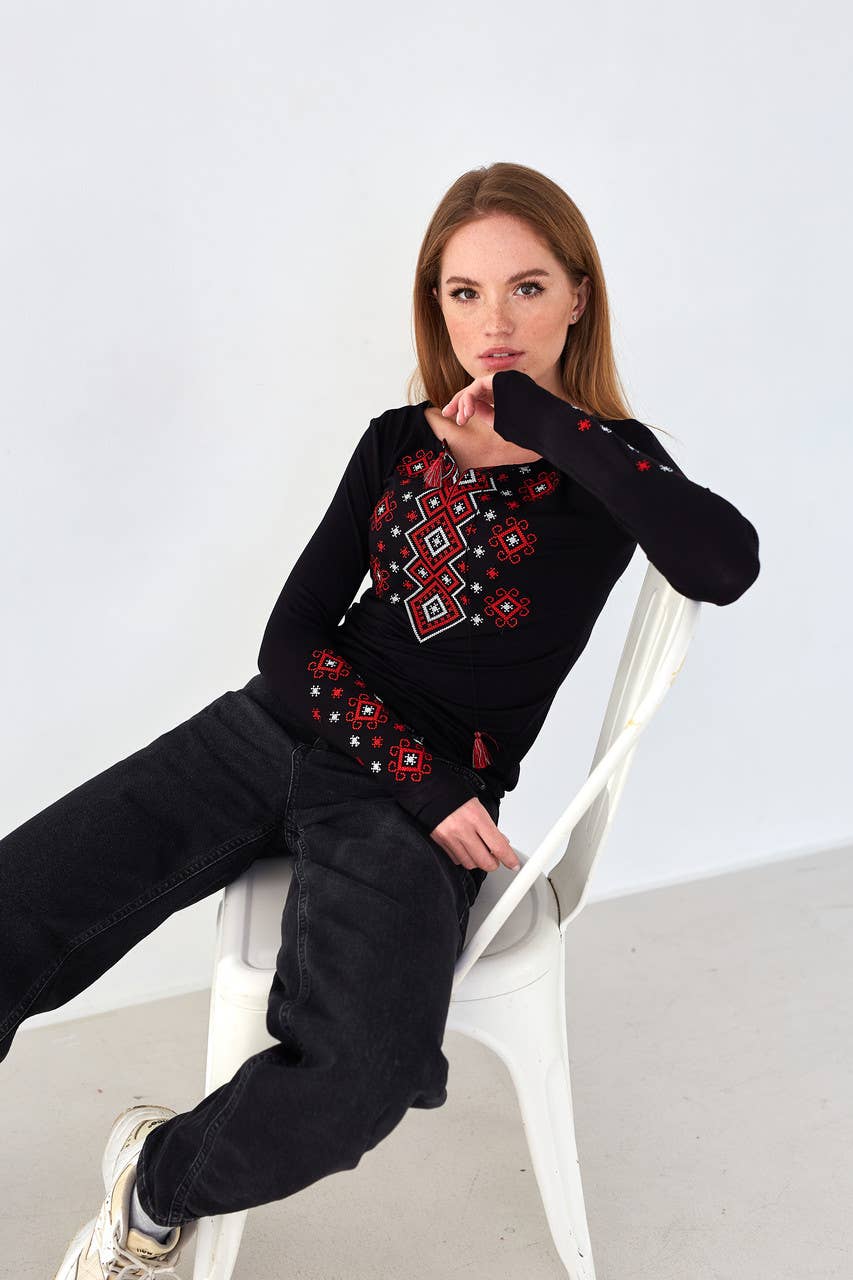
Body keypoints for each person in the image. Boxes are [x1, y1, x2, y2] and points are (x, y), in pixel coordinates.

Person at [0, 162, 760, 1279]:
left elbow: (722, 563)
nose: (494, 324)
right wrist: (417, 770)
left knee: (361, 1075)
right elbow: (290, 639)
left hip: (405, 815)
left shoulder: (610, 462)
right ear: (434, 305)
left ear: (578, 296)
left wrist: (547, 418)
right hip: (287, 730)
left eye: (526, 288)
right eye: (464, 293)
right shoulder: (396, 441)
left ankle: (154, 1182)